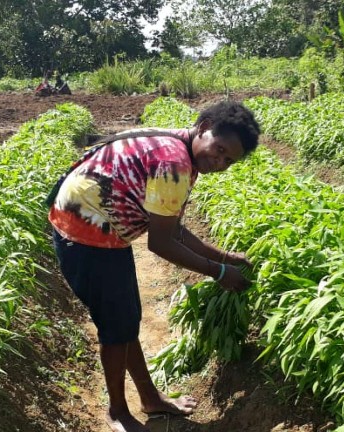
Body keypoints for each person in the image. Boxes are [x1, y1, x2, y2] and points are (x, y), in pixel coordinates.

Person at [48, 100, 260, 432]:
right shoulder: (173, 162)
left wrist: (224, 257)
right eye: (218, 150)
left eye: (228, 161)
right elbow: (160, 243)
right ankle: (118, 411)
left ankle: (149, 397)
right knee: (116, 326)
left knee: (125, 317)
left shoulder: (181, 146)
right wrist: (219, 273)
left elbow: (170, 225)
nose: (218, 161)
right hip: (86, 230)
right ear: (203, 129)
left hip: (98, 223)